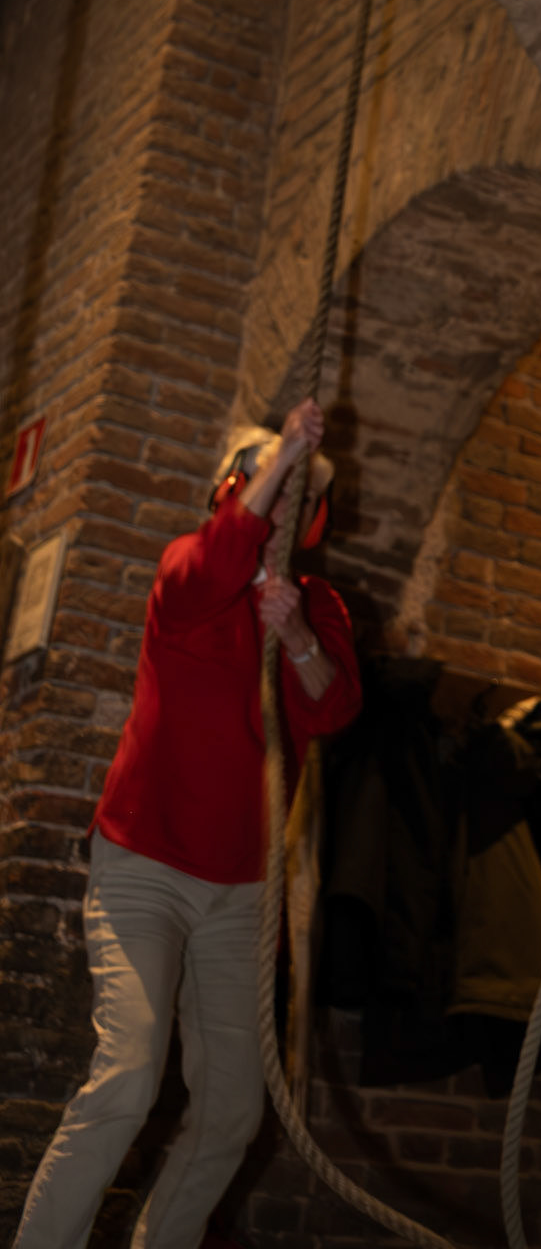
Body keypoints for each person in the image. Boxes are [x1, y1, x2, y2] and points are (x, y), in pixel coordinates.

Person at [16, 399, 362, 1249]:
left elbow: (334, 708)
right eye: (269, 487)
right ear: (234, 492)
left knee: (234, 1109)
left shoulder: (317, 606)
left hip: (241, 892)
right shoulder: (189, 573)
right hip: (146, 865)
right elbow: (213, 561)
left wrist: (298, 636)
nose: (281, 509)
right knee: (129, 1077)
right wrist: (286, 452)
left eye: (299, 497)